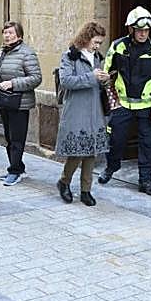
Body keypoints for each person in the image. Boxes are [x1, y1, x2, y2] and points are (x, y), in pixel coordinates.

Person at [98, 7, 151, 196]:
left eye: (146, 30)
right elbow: (107, 72)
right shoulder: (118, 47)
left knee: (147, 144)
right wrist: (110, 95)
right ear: (131, 29)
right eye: (139, 30)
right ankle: (111, 167)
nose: (143, 34)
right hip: (122, 104)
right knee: (116, 139)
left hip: (146, 106)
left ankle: (146, 181)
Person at [55, 21, 110, 207]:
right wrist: (91, 77)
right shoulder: (70, 56)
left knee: (91, 152)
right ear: (86, 38)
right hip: (76, 109)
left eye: (100, 43)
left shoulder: (97, 58)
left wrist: (105, 80)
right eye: (95, 42)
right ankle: (64, 182)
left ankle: (86, 190)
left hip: (94, 109)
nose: (97, 46)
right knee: (77, 152)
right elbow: (66, 81)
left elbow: (99, 84)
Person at [0, 21, 42, 186]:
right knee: (9, 138)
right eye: (5, 32)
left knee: (17, 139)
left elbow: (36, 78)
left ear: (19, 35)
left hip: (19, 103)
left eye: (10, 32)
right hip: (4, 100)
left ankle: (14, 171)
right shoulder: (1, 52)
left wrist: (13, 83)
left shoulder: (27, 53)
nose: (7, 36)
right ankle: (18, 167)